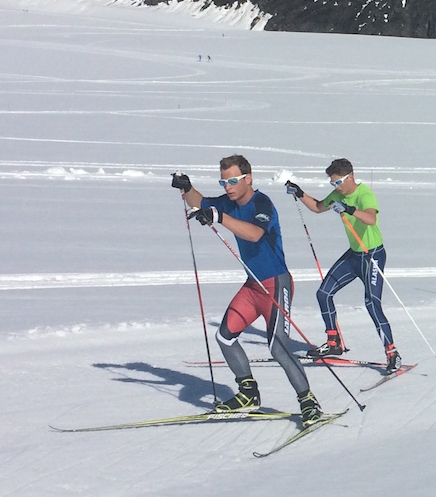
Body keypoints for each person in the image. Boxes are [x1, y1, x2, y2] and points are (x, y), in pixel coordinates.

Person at [172, 154, 323, 427]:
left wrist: (218, 217)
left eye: (232, 180)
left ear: (248, 178)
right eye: (223, 181)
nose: (227, 186)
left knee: (278, 348)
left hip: (276, 284)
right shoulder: (227, 202)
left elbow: (254, 234)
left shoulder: (262, 203)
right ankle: (248, 393)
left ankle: (308, 401)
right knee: (225, 336)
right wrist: (186, 187)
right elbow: (200, 201)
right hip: (253, 286)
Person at [286, 158, 401, 373]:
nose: (335, 187)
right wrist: (299, 193)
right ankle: (333, 344)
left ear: (350, 177)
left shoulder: (364, 194)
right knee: (323, 293)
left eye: (338, 182)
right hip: (354, 256)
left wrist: (349, 209)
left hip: (372, 255)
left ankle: (392, 353)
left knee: (371, 303)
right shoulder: (338, 195)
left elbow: (370, 219)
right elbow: (318, 207)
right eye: (332, 183)